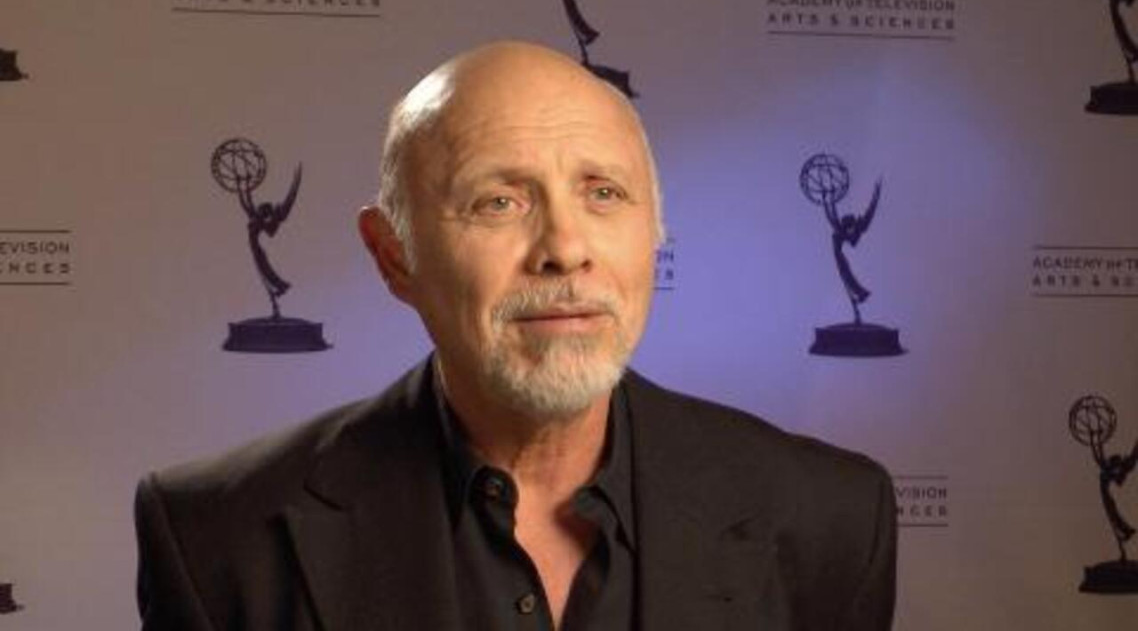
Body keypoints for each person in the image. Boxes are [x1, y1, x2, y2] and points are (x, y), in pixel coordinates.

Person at [134, 41, 896, 630]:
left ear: (655, 232)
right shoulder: (218, 535)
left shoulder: (831, 519)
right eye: (498, 202)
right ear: (393, 255)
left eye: (604, 193)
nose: (565, 248)